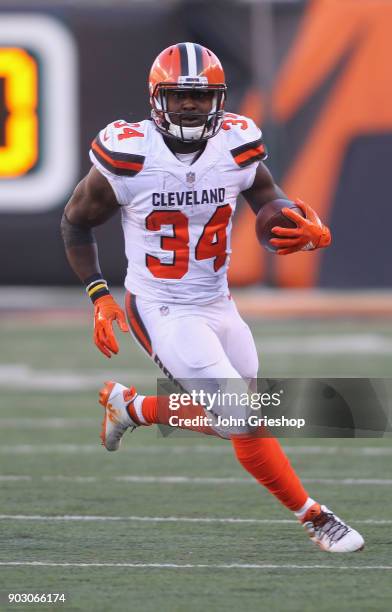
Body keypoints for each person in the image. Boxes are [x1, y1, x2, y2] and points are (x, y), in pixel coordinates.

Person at [61, 42, 364, 553]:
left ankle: (130, 408)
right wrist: (98, 294)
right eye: (180, 96)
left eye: (201, 99)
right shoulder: (129, 153)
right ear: (157, 97)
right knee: (243, 418)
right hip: (161, 307)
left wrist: (302, 227)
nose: (190, 107)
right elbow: (75, 220)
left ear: (219, 100)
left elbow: (265, 196)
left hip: (217, 302)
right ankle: (315, 517)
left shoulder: (236, 142)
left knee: (233, 421)